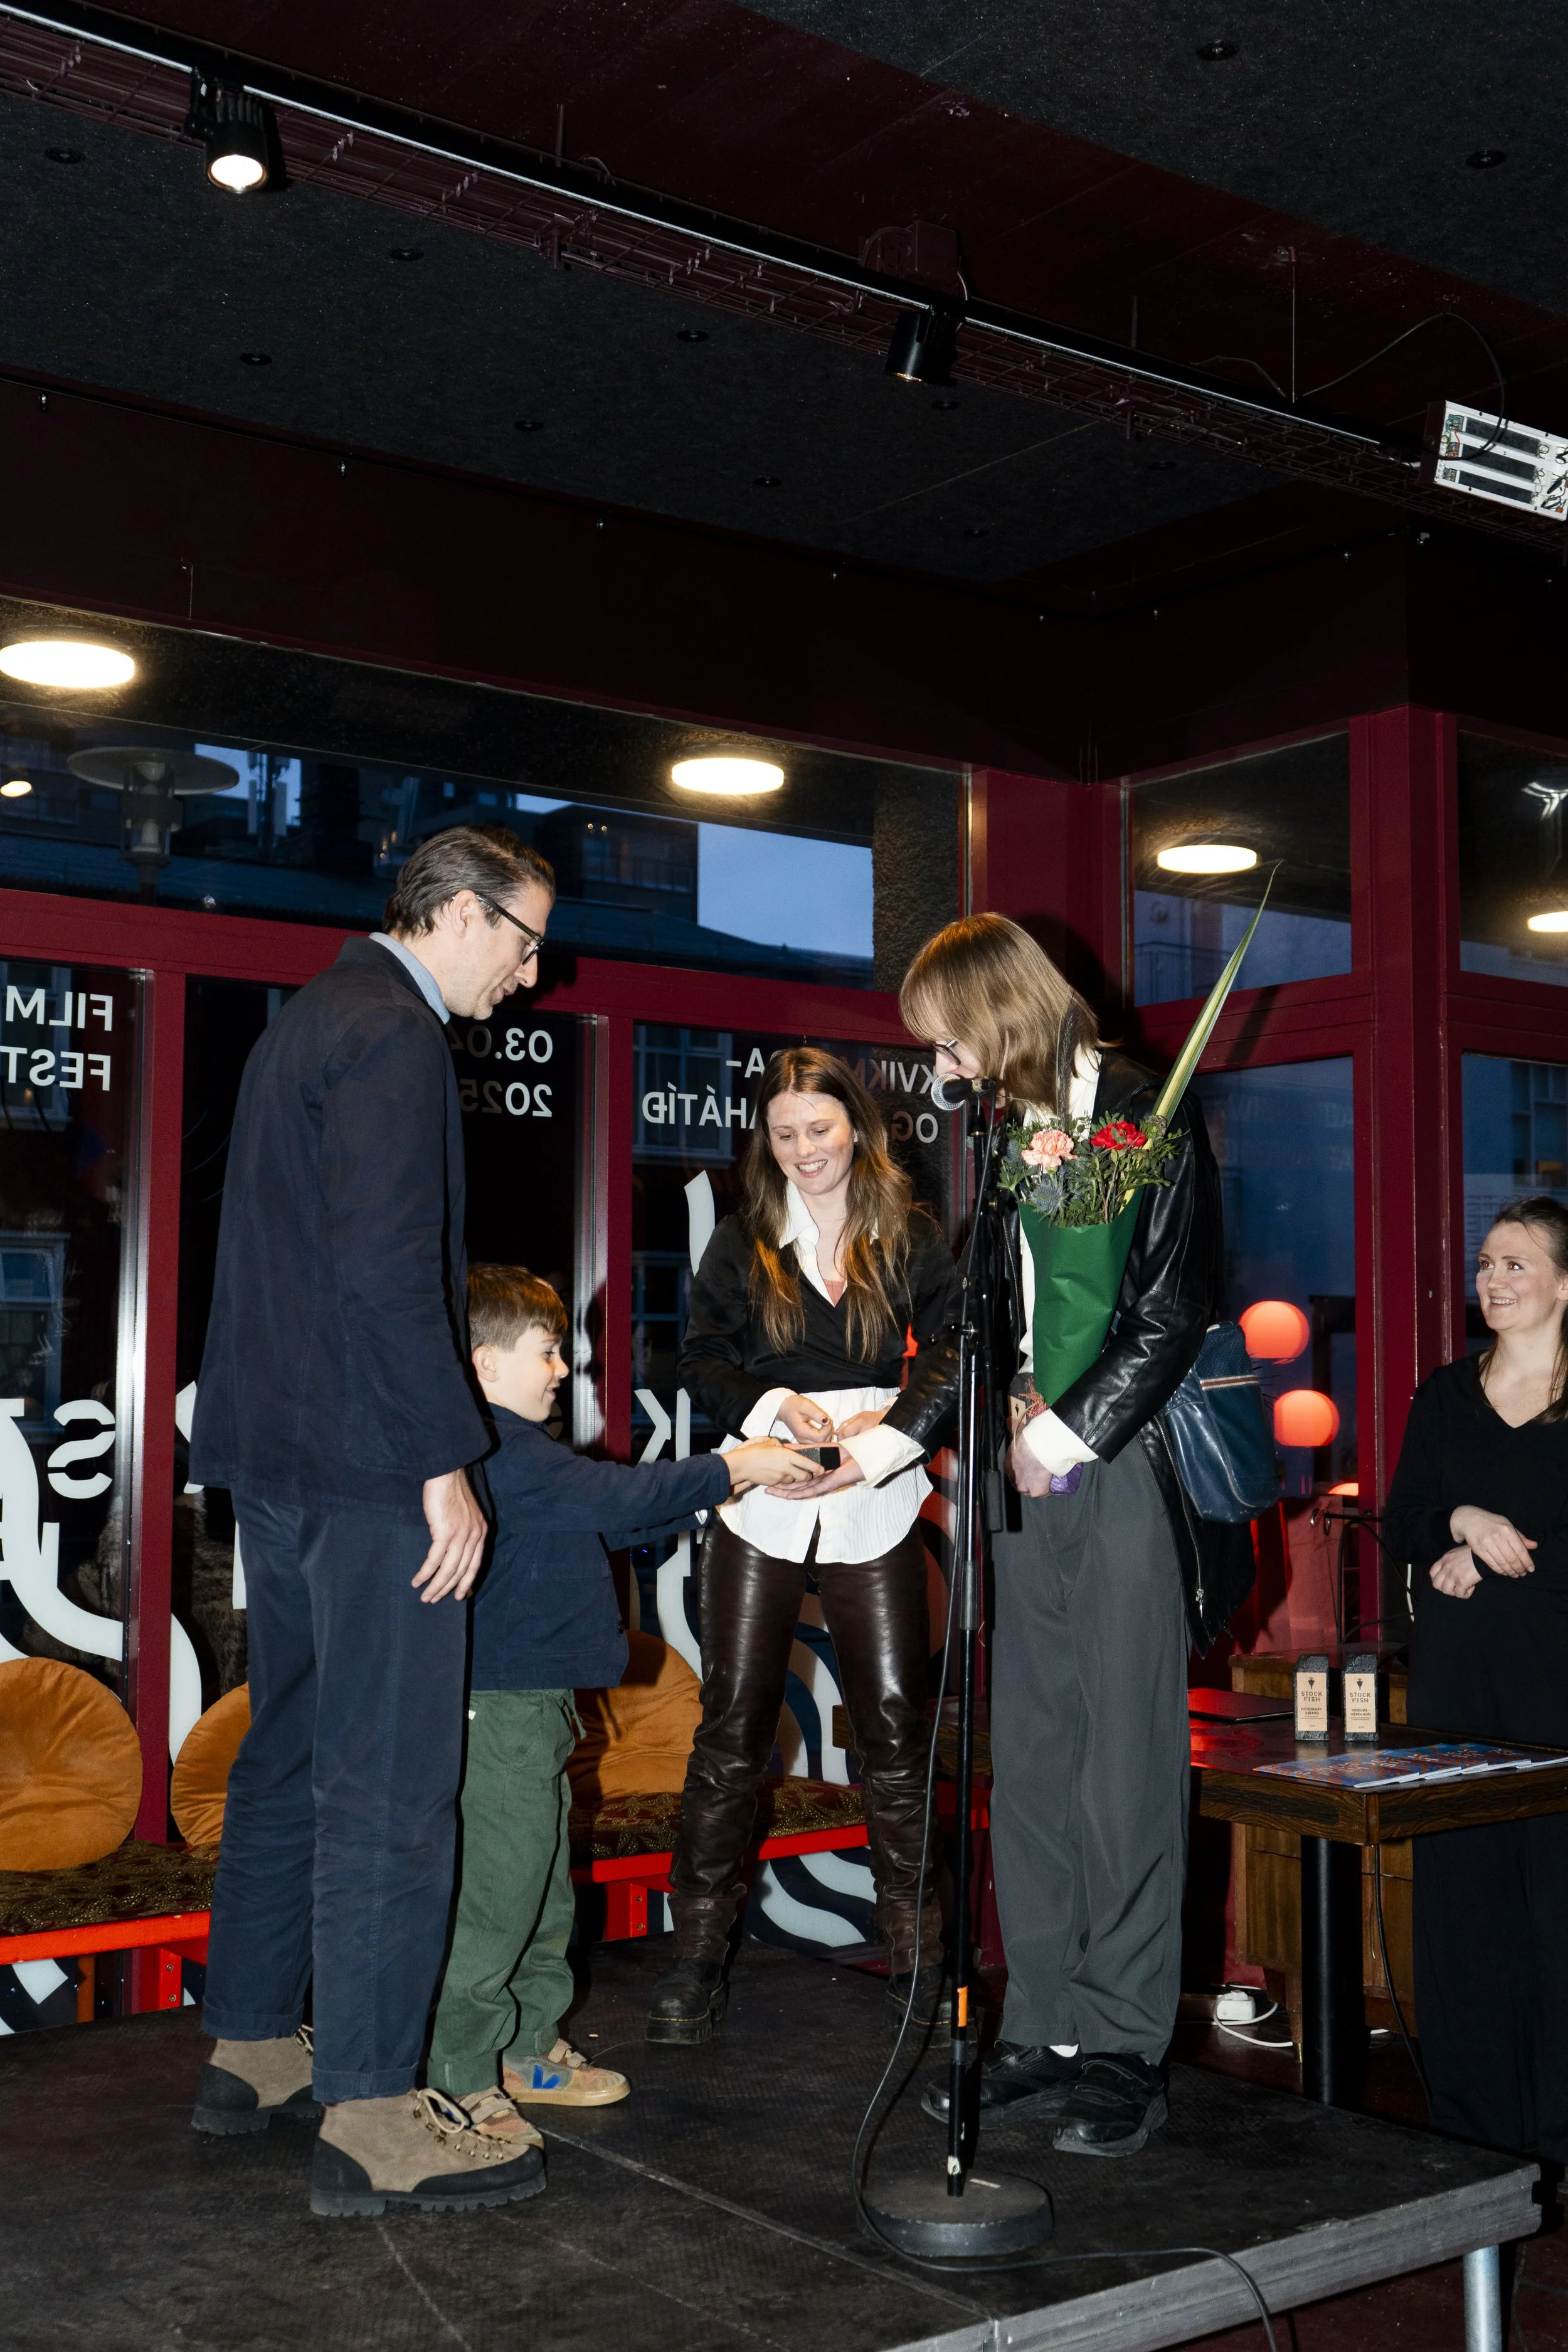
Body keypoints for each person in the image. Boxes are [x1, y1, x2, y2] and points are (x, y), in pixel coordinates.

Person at [795, 915, 1249, 2157]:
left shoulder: (1137, 1109)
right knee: (1037, 1765)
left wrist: (1067, 1433)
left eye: (946, 1042)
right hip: (1015, 1476)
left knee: (1124, 1775)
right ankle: (1043, 2024)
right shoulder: (1013, 1136)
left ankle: (1119, 2043)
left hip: (1112, 1472)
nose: (942, 1071)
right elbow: (978, 1314)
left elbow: (1169, 1308)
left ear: (997, 1014)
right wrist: (894, 1441)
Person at [189, 825, 558, 2222]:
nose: (530, 972)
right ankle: (374, 2111)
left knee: (285, 1751)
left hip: (274, 1465)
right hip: (364, 1471)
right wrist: (441, 1464)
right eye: (523, 939)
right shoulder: (395, 1038)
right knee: (397, 1790)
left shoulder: (305, 1019)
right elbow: (391, 1275)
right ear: (456, 914)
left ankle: (250, 2047)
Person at [426, 1262, 815, 2134]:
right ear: (485, 1364)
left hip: (532, 1707)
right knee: (497, 1896)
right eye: (547, 1351)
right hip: (501, 1710)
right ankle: (458, 2071)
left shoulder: (517, 1452)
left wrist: (743, 1479)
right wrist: (729, 1466)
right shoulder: (489, 1448)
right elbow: (616, 1496)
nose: (564, 1369)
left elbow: (614, 1517)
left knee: (540, 1888)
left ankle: (525, 2046)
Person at [646, 1046, 962, 2046]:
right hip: (765, 1485)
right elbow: (697, 1357)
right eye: (783, 1134)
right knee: (732, 1725)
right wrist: (775, 1409)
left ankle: (918, 1963)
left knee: (898, 1731)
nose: (802, 1149)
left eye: (818, 1129)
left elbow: (954, 1349)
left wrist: (877, 1449)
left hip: (876, 1478)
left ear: (855, 1127)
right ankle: (696, 1960)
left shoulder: (905, 1232)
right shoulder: (744, 1240)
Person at [1384, 1198, 1568, 2163]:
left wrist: (1496, 1553)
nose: (1492, 1280)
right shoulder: (1446, 1395)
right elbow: (1402, 1521)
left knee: (1556, 1905)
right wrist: (1459, 1522)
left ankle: (1558, 2130)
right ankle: (1472, 2130)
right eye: (1487, 1263)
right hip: (1460, 1684)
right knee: (1465, 1905)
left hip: (1558, 1684)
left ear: (1565, 1285)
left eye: (1517, 1264)